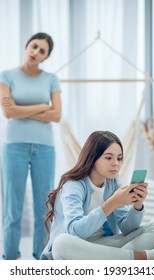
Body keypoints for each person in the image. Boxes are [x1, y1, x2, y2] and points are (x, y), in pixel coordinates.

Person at [40, 130, 154, 260]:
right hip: (76, 247)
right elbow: (75, 231)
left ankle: (116, 260)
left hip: (103, 244)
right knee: (61, 243)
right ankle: (140, 256)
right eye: (109, 157)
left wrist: (137, 206)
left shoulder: (113, 182)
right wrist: (113, 202)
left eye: (119, 158)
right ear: (92, 158)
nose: (116, 163)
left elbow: (127, 229)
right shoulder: (73, 185)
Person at [0, 32, 61, 260]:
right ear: (27, 45)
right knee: (12, 209)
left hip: (45, 148)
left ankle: (41, 258)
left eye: (42, 51)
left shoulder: (51, 79)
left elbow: (56, 115)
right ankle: (9, 259)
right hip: (14, 147)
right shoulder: (6, 76)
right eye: (34, 46)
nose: (36, 52)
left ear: (45, 57)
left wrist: (22, 109)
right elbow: (8, 112)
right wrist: (41, 107)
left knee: (43, 209)